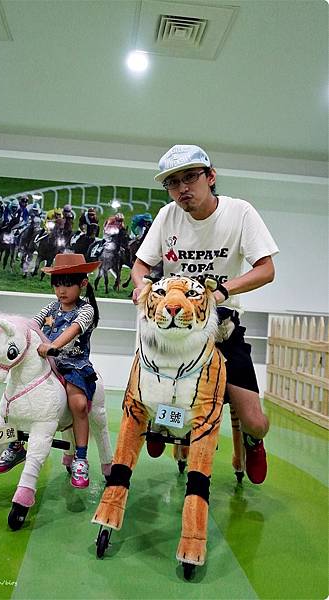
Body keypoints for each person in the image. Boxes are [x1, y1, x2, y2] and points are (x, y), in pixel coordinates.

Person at [131, 144, 279, 485]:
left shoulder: (239, 212)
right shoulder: (167, 216)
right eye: (173, 182)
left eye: (190, 177)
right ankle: (158, 421)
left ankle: (254, 441)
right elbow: (141, 266)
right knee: (145, 391)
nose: (182, 188)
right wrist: (143, 287)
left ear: (210, 177)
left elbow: (266, 269)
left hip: (221, 327)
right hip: (175, 330)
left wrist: (223, 290)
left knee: (255, 420)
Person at [0, 253, 102, 489]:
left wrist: (54, 345)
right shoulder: (51, 307)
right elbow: (31, 325)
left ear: (82, 284)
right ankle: (15, 445)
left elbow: (73, 330)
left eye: (67, 285)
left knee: (78, 404)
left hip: (73, 363)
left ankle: (81, 458)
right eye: (57, 285)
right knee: (13, 396)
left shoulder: (86, 311)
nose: (61, 291)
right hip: (45, 361)